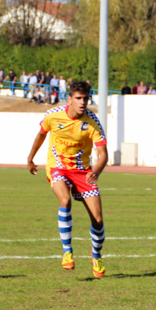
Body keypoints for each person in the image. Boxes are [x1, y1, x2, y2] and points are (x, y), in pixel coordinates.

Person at [26, 80, 108, 278]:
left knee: (97, 219)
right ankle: (67, 252)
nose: (82, 102)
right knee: (65, 200)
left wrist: (96, 171)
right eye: (78, 98)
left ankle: (96, 255)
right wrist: (30, 158)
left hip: (83, 172)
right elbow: (41, 135)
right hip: (58, 168)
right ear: (69, 98)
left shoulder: (92, 122)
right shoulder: (52, 116)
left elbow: (103, 153)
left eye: (86, 98)